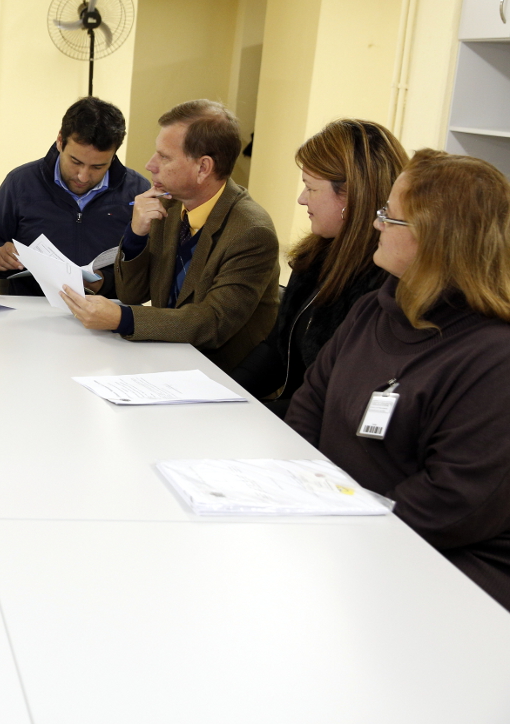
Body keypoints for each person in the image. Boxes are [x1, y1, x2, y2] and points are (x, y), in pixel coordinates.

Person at [286, 149, 510, 611]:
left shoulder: (494, 357)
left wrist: (339, 529)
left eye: (391, 216)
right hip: (345, 533)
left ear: (437, 239)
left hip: (441, 568)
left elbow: (452, 503)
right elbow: (311, 403)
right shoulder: (376, 308)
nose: (376, 224)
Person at [60, 99, 279, 370]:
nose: (150, 165)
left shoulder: (252, 232)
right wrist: (135, 236)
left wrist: (122, 318)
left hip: (222, 376)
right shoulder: (169, 205)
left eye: (164, 157)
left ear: (203, 168)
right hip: (166, 360)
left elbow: (212, 323)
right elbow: (132, 294)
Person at [230, 120, 404, 417]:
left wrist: (254, 415)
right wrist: (226, 395)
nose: (301, 199)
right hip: (288, 419)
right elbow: (275, 349)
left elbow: (336, 400)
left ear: (351, 196)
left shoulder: (385, 284)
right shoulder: (317, 253)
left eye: (310, 188)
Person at [0, 97, 148, 296]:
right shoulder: (20, 182)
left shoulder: (138, 192)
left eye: (98, 167)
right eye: (75, 161)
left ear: (114, 154)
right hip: (29, 312)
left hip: (107, 313)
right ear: (60, 141)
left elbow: (146, 276)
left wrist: (103, 283)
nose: (83, 176)